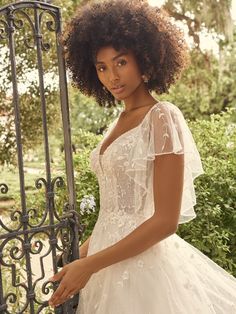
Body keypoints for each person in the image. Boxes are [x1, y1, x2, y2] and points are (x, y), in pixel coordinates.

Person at [48, 0, 236, 312]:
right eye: (102, 67)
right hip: (103, 265)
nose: (112, 77)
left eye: (121, 62)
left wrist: (90, 264)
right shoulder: (115, 124)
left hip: (145, 270)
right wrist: (80, 255)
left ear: (145, 58)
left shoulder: (162, 117)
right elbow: (115, 210)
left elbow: (165, 221)